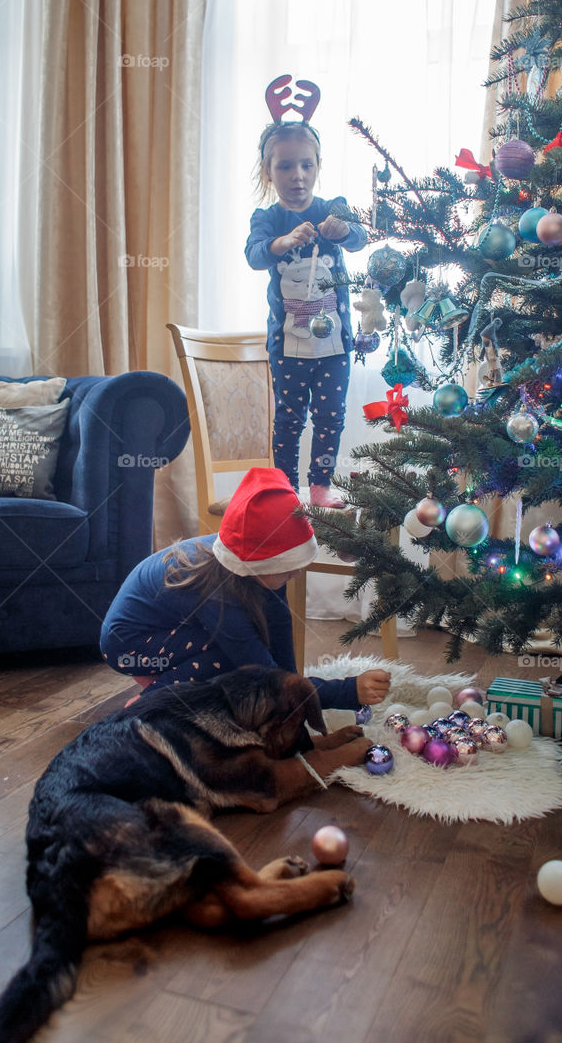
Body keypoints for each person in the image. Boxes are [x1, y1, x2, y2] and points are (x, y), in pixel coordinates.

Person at [100, 467, 391, 711]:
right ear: (257, 567)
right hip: (129, 645)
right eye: (289, 568)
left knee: (248, 647)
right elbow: (259, 670)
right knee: (232, 657)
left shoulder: (253, 559)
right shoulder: (218, 592)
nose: (297, 572)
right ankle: (149, 704)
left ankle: (178, 684)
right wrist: (345, 692)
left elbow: (278, 623)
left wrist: (292, 687)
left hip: (170, 631)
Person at [245, 117, 367, 508]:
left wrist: (342, 230)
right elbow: (255, 254)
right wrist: (284, 240)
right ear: (268, 171)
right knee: (289, 420)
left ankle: (319, 488)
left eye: (306, 165)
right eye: (284, 166)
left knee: (331, 417)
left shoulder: (333, 208)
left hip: (334, 343)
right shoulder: (267, 219)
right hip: (287, 343)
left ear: (317, 166)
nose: (297, 176)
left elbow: (360, 238)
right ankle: (285, 490)